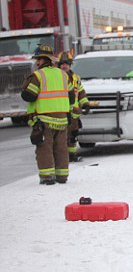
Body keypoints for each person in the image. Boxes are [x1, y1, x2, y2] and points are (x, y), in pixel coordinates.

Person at [21, 45, 75, 185]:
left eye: (36, 60)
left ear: (40, 60)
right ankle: (62, 176)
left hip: (44, 120)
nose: (36, 63)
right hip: (62, 119)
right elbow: (71, 97)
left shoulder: (38, 76)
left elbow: (29, 96)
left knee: (44, 148)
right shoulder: (63, 75)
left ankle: (47, 177)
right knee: (61, 148)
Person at [58, 51, 90, 162]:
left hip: (74, 113)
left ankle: (72, 154)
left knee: (73, 135)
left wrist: (85, 103)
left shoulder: (76, 78)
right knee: (62, 136)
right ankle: (63, 156)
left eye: (67, 63)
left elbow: (80, 91)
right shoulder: (57, 78)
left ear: (70, 64)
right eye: (62, 63)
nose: (64, 65)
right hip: (62, 112)